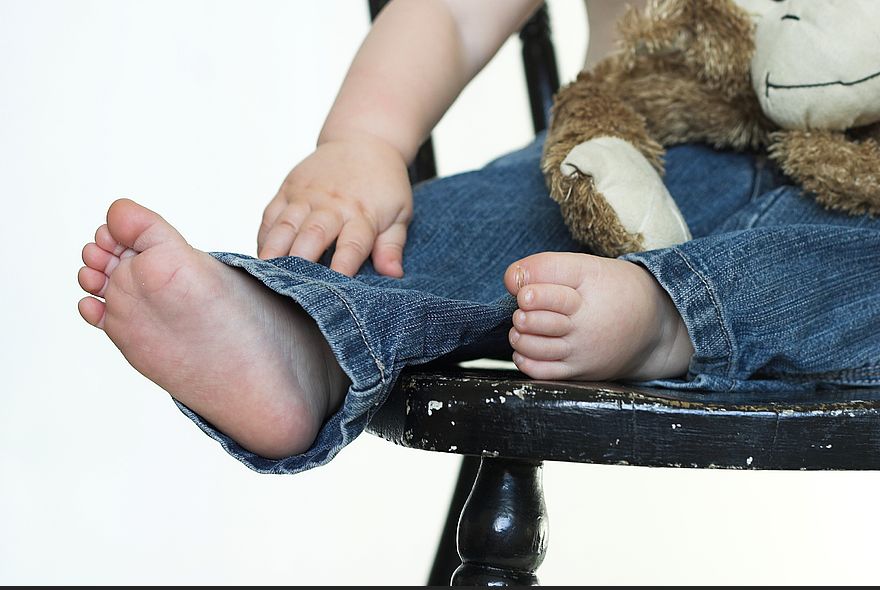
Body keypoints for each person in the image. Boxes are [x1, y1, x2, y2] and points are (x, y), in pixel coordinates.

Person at [76, 0, 880, 475]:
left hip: (859, 200)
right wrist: (365, 140)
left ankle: (667, 319)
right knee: (472, 224)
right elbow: (453, 16)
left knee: (854, 269)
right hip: (628, 158)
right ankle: (309, 339)